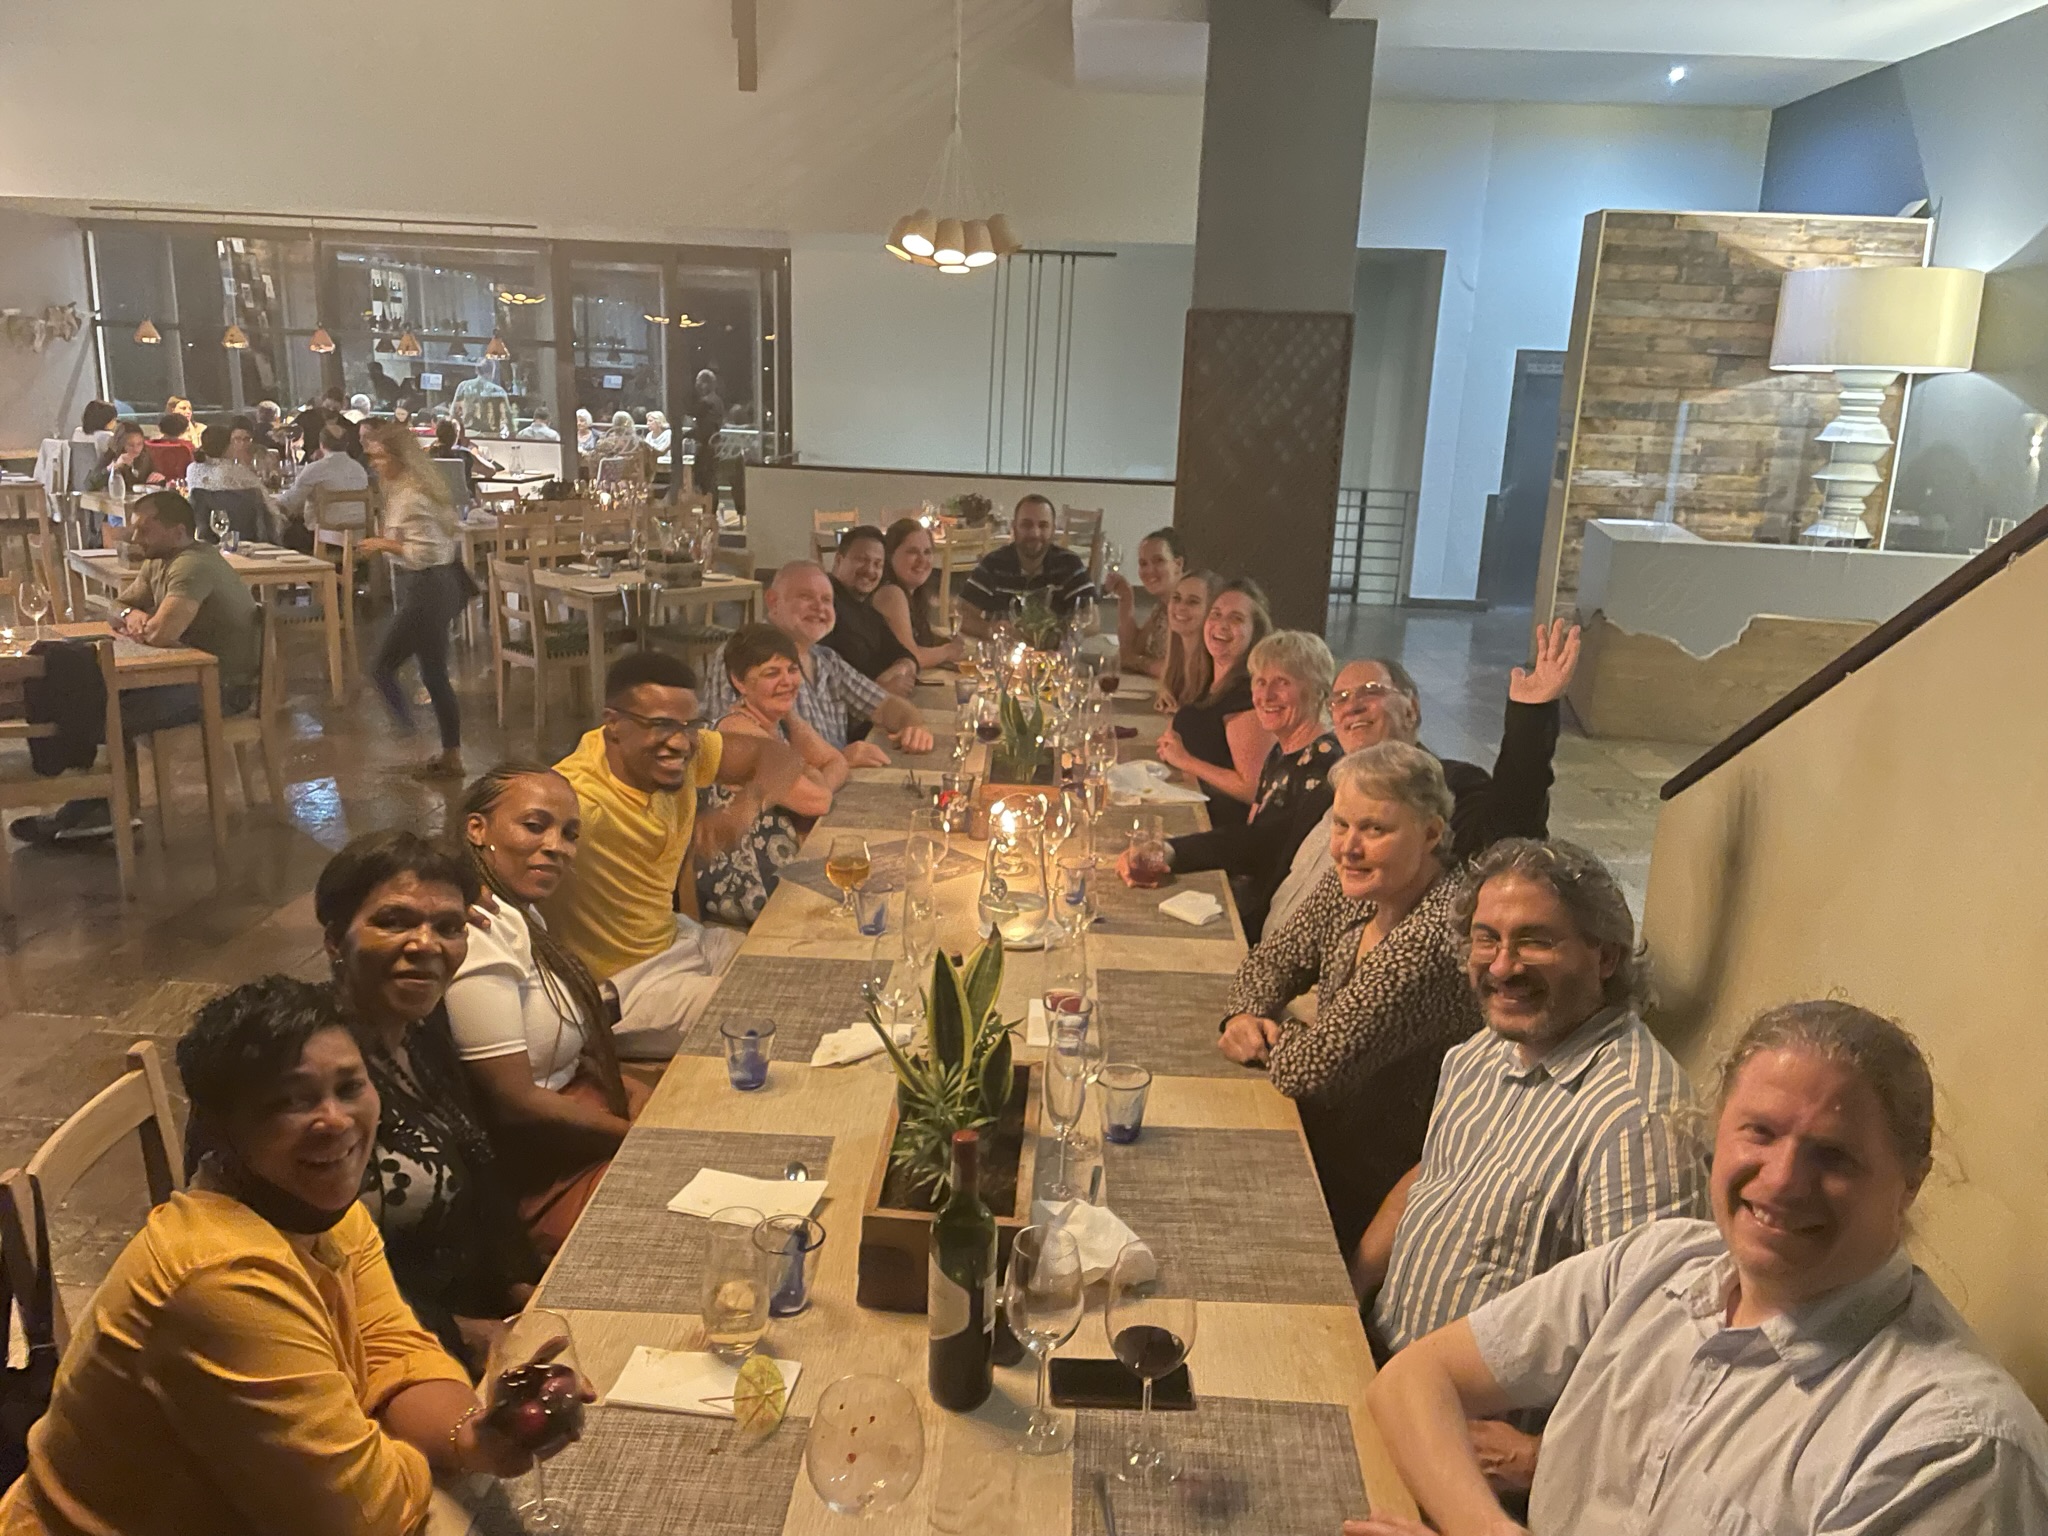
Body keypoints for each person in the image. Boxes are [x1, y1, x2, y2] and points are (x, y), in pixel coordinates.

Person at [1352, 1002, 2048, 1536]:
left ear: (1910, 1182)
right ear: (1717, 1131)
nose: (1782, 1180)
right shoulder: (1655, 1263)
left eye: (1833, 1155)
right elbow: (1414, 1378)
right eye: (1760, 1132)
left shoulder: (1955, 1449)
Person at [0, 976, 564, 1536]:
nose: (336, 1121)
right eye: (290, 1102)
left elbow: (393, 1350)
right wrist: (401, 1453)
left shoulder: (318, 1206)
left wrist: (471, 1436)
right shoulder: (222, 1278)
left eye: (350, 1087)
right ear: (219, 1129)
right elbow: (363, 1517)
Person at [1353, 839, 1706, 1496]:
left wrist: (1535, 1459)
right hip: (1387, 1376)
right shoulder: (1478, 1053)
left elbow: (1657, 1344)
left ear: (1605, 957)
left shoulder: (1637, 1118)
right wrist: (1350, 1289)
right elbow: (1430, 1179)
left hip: (1471, 1455)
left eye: (1535, 942)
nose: (1502, 966)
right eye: (1486, 938)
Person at [1221, 742, 1482, 1256]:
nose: (1347, 848)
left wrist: (1266, 1037)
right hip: (1328, 1131)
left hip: (1378, 1178)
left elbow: (1314, 1071)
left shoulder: (1434, 934)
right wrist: (1244, 1013)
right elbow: (1272, 959)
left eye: (1374, 829)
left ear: (1431, 833)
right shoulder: (1360, 883)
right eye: (1340, 825)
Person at [315, 832, 544, 1371]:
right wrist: (464, 1333)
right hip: (370, 1350)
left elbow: (482, 1180)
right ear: (334, 940)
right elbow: (308, 1265)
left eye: (448, 927)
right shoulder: (306, 1069)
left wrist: (523, 1286)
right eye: (394, 921)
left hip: (472, 1312)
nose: (426, 945)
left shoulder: (422, 1032)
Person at [542, 649, 804, 1057]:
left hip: (679, 940)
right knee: (780, 1017)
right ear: (613, 724)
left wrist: (743, 808)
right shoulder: (575, 799)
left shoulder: (683, 753)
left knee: (803, 970)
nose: (680, 742)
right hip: (627, 988)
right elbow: (496, 841)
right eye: (661, 725)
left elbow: (782, 758)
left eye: (690, 725)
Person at [447, 763, 648, 1255]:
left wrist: (633, 1092)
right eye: (535, 825)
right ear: (477, 829)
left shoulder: (522, 914)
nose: (557, 846)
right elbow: (514, 1100)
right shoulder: (478, 929)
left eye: (569, 834)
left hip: (576, 1121)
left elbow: (565, 1051)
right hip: (535, 1168)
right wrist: (639, 1137)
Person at [1266, 621, 1578, 935]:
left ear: (1411, 709)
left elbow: (1511, 828)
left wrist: (1531, 715)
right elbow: (1271, 856)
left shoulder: (1446, 786)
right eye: (1340, 699)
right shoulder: (1332, 784)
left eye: (1370, 691)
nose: (1352, 707)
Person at [12, 490, 260, 846]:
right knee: (93, 693)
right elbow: (117, 606)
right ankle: (103, 809)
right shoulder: (158, 561)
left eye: (145, 530)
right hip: (184, 674)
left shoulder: (193, 565)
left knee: (102, 710)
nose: (135, 537)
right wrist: (132, 614)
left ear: (177, 531)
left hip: (223, 687)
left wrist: (143, 622)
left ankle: (95, 809)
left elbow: (160, 633)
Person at [1120, 629, 1338, 941]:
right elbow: (1253, 837)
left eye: (1282, 682)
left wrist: (1173, 851)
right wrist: (1170, 848)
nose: (1265, 695)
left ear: (1318, 690)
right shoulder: (1286, 750)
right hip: (1255, 898)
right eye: (1260, 682)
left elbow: (1259, 848)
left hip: (1274, 928)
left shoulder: (1320, 767)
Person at [697, 624, 855, 926]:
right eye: (772, 673)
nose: (787, 681)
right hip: (749, 885)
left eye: (792, 670)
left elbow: (837, 762)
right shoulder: (737, 728)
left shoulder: (779, 720)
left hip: (789, 861)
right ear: (739, 682)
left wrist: (807, 769)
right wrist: (809, 771)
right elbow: (818, 801)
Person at [699, 562, 938, 758]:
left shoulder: (825, 659)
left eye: (826, 600)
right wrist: (839, 760)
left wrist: (914, 726)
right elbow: (742, 753)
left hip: (831, 787)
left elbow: (885, 706)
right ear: (773, 601)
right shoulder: (740, 654)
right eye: (805, 597)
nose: (819, 608)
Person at [359, 419, 468, 780]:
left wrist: (381, 544)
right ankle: (450, 755)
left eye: (379, 457)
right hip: (440, 584)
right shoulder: (420, 487)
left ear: (397, 457)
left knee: (382, 667)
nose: (374, 464)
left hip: (426, 587)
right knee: (434, 674)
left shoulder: (409, 496)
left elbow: (424, 553)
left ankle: (411, 737)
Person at [1156, 577, 1271, 829]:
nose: (1221, 625)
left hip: (1217, 828)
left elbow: (1253, 789)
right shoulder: (1212, 681)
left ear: (1255, 633)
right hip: (1187, 807)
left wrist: (1186, 761)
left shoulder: (1247, 696)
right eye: (1216, 614)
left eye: (1236, 618)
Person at [955, 493, 1096, 639]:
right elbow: (962, 614)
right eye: (1026, 525)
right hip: (1005, 649)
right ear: (1014, 527)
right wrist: (991, 630)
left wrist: (1050, 636)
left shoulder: (1069, 564)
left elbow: (1093, 621)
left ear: (1053, 530)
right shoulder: (994, 563)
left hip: (1054, 650)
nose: (1035, 533)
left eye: (1043, 525)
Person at [822, 525, 918, 694]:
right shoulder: (824, 605)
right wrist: (878, 690)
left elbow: (904, 655)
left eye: (878, 564)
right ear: (838, 560)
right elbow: (823, 680)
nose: (870, 570)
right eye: (861, 560)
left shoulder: (866, 609)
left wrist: (901, 669)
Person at [873, 517, 963, 670]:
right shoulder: (891, 594)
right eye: (912, 552)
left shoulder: (913, 594)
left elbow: (918, 639)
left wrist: (945, 642)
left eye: (927, 552)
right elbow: (911, 656)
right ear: (889, 555)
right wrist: (948, 651)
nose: (922, 560)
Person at [1102, 526, 1186, 677]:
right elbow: (1132, 648)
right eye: (1143, 563)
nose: (1149, 570)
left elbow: (1179, 670)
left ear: (1178, 564)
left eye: (1158, 561)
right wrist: (1126, 599)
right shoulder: (1162, 606)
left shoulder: (1187, 608)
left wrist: (1137, 662)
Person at [277, 419, 371, 545]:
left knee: (283, 533)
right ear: (347, 444)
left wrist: (270, 500)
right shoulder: (359, 469)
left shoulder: (315, 469)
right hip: (358, 537)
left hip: (324, 538)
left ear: (321, 445)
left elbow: (289, 503)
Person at [186, 419, 280, 541]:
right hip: (245, 537)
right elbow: (270, 509)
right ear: (228, 446)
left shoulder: (192, 469)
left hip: (206, 539)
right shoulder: (240, 474)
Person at [1155, 568, 1223, 713]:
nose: (1180, 607)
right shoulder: (1177, 659)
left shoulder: (1217, 667)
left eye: (1193, 602)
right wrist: (1164, 692)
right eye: (1176, 598)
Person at [432, 415, 501, 499]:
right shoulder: (464, 455)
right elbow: (490, 471)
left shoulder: (426, 453)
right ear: (456, 435)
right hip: (460, 503)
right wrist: (476, 454)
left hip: (433, 502)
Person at [86, 421, 156, 491]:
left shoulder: (144, 456)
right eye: (130, 445)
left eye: (139, 444)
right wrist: (113, 467)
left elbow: (149, 481)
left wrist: (157, 478)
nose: (136, 449)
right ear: (121, 445)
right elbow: (89, 485)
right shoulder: (109, 455)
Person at [689, 369, 725, 499]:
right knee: (711, 478)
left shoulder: (707, 402)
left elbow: (701, 424)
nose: (697, 385)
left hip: (706, 445)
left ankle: (709, 507)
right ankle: (711, 507)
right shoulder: (718, 401)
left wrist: (686, 435)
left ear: (706, 384)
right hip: (713, 444)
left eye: (699, 382)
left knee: (706, 480)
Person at [145, 411, 195, 481]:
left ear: (160, 427)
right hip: (181, 483)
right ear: (184, 430)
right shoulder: (188, 446)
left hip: (153, 481)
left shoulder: (148, 445)